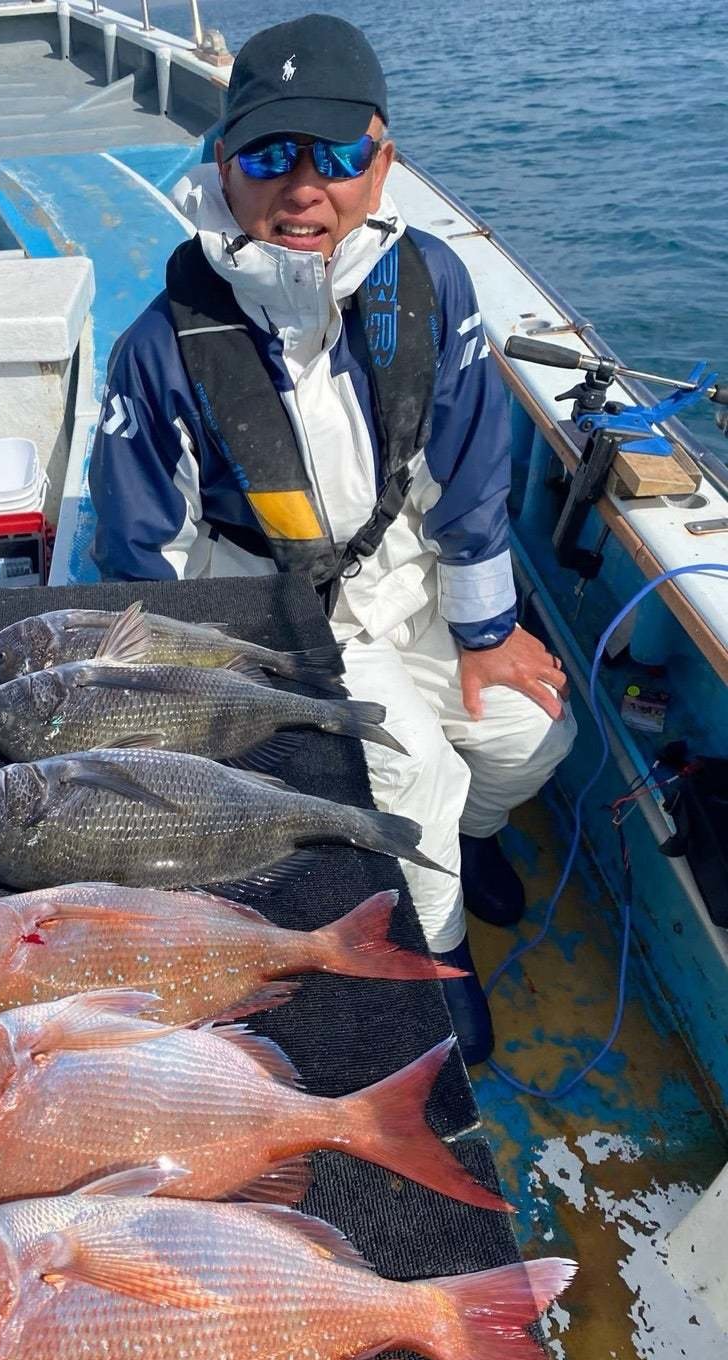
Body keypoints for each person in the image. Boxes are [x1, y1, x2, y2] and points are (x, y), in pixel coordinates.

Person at [88, 13, 576, 1063]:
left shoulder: (431, 283)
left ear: (382, 162)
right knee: (414, 778)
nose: (304, 189)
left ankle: (476, 842)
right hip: (272, 617)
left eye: (338, 155)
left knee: (533, 735)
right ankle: (439, 953)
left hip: (408, 579)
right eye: (270, 156)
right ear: (224, 165)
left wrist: (487, 630)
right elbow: (142, 554)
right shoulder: (160, 348)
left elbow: (471, 465)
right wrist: (193, 703)